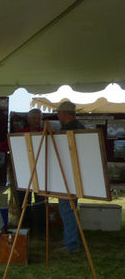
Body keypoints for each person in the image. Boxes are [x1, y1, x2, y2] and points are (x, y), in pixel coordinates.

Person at [56, 100, 84, 253]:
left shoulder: (67, 130)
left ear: (64, 114)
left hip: (67, 175)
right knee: (71, 208)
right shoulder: (80, 127)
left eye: (59, 113)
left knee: (67, 209)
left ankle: (71, 244)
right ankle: (71, 240)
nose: (58, 116)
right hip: (77, 174)